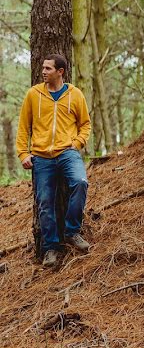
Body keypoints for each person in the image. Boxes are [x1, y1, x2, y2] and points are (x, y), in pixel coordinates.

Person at [16, 54, 92, 268]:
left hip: (67, 152)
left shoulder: (75, 94)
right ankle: (51, 248)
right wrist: (23, 153)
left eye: (48, 68)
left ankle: (71, 231)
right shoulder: (33, 95)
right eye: (43, 68)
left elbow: (85, 124)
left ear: (60, 71)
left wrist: (77, 143)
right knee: (45, 201)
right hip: (41, 157)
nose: (43, 71)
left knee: (80, 182)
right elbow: (24, 127)